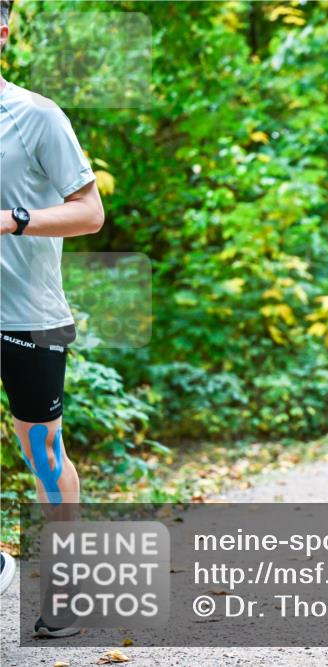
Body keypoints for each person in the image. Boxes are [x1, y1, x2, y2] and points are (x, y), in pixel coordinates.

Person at [1, 0, 105, 637]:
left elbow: (90, 213)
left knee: (41, 450)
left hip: (27, 314)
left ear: (3, 27)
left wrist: (13, 221)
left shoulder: (36, 117)